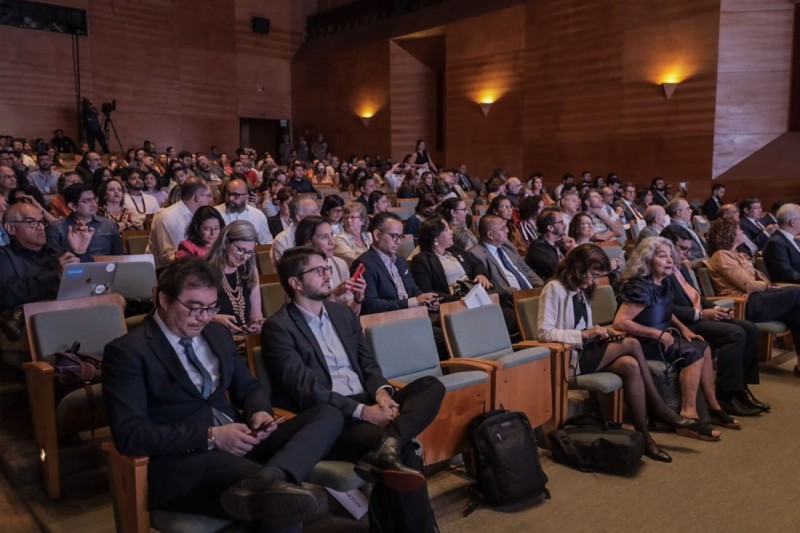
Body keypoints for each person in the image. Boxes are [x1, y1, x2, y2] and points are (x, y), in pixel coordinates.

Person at [103, 258, 343, 529]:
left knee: (328, 414)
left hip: (241, 439)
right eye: (194, 308)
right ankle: (268, 484)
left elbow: (249, 388)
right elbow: (130, 434)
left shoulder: (216, 333)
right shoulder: (128, 352)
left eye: (210, 308)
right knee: (278, 502)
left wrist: (259, 413)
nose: (203, 317)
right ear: (164, 299)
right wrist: (212, 437)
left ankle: (271, 476)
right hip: (189, 462)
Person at [262, 246, 445, 532]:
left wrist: (382, 394)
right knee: (405, 453)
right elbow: (305, 390)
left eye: (327, 268)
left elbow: (367, 362)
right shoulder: (279, 327)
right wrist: (365, 413)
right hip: (332, 416)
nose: (327, 275)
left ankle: (388, 446)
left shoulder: (341, 313)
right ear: (295, 283)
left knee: (431, 386)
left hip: (368, 399)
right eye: (318, 270)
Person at [538, 244, 700, 462]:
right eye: (593, 275)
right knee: (631, 344)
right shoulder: (554, 288)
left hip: (585, 349)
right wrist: (586, 334)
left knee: (631, 366)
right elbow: (544, 332)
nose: (594, 281)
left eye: (598, 277)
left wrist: (600, 333)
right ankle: (661, 409)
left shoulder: (581, 289)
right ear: (578, 266)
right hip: (567, 358)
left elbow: (580, 325)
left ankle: (645, 438)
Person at [613, 237, 728, 441]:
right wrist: (656, 334)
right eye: (661, 256)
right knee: (693, 353)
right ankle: (688, 413)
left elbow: (666, 310)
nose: (668, 261)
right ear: (647, 260)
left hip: (662, 337)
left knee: (703, 346)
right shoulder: (639, 286)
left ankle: (713, 405)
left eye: (669, 256)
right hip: (642, 343)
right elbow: (620, 323)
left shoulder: (664, 283)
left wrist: (684, 329)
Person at [660, 225, 766, 416]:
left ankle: (740, 388)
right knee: (735, 333)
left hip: (699, 316)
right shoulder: (661, 270)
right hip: (682, 324)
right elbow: (666, 308)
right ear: (667, 246)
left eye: (688, 249)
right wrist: (700, 314)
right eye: (682, 248)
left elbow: (696, 296)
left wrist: (715, 308)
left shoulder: (681, 268)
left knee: (750, 329)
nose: (686, 253)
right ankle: (725, 395)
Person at [706, 217, 800, 377]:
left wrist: (763, 284)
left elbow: (761, 279)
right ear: (729, 234)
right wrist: (765, 286)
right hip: (744, 303)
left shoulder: (738, 255)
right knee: (796, 292)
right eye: (739, 230)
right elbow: (748, 285)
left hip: (757, 298)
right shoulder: (722, 256)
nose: (742, 232)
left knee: (797, 312)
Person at [1, 202, 92, 312]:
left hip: (70, 310)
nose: (41, 227)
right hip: (34, 319)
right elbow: (6, 295)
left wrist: (80, 252)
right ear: (11, 228)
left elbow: (88, 285)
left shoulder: (55, 251)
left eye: (42, 222)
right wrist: (56, 275)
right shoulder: (5, 256)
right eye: (31, 222)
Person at [351, 212, 440, 315]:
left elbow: (413, 289)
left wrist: (426, 300)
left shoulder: (401, 261)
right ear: (377, 235)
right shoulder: (364, 263)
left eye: (401, 237)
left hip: (412, 316)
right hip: (387, 322)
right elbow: (369, 305)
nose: (398, 242)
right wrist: (411, 302)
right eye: (394, 236)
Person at [410, 215, 491, 302]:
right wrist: (459, 299)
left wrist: (480, 274)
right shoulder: (421, 261)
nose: (451, 232)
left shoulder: (456, 249)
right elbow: (427, 292)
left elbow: (476, 263)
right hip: (453, 302)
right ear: (435, 237)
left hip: (474, 293)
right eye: (446, 230)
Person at [295, 216, 366, 314]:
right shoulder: (298, 269)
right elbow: (306, 314)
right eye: (324, 237)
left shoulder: (340, 264)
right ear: (308, 241)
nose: (332, 242)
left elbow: (349, 315)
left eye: (332, 235)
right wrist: (333, 294)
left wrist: (358, 299)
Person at [468, 214, 544, 303]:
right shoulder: (476, 253)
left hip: (532, 292)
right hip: (512, 299)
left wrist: (541, 286)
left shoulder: (507, 245)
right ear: (490, 234)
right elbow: (496, 284)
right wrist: (520, 295)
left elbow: (525, 269)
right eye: (503, 228)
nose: (507, 231)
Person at [206, 221, 265, 335]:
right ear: (225, 243)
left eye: (249, 252)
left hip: (245, 338)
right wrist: (214, 319)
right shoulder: (205, 272)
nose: (244, 257)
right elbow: (192, 314)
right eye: (240, 250)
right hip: (216, 336)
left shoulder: (250, 270)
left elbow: (256, 315)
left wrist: (256, 325)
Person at [147, 177, 214, 270]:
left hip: (192, 269)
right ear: (198, 197)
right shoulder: (168, 216)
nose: (211, 199)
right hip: (165, 273)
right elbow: (166, 258)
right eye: (209, 195)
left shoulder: (201, 216)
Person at [45, 183, 122, 261]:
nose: (93, 204)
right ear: (73, 206)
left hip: (104, 270)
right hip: (71, 270)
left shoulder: (109, 225)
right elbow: (51, 261)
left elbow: (119, 256)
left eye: (94, 199)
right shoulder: (56, 228)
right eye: (86, 201)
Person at [215, 178, 273, 245]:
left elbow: (266, 243)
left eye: (236, 195)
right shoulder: (216, 213)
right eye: (228, 194)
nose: (230, 198)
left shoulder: (258, 215)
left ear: (246, 197)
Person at [526, 208, 576, 281]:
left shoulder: (558, 244)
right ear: (550, 227)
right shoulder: (538, 247)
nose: (565, 225)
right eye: (561, 222)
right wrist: (571, 252)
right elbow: (557, 271)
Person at [270, 196, 320, 265]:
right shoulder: (282, 240)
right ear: (299, 218)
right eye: (314, 212)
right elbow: (286, 271)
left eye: (318, 211)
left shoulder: (322, 233)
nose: (319, 215)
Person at [762, 203, 800, 283]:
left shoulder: (793, 239)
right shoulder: (775, 243)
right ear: (793, 222)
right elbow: (786, 273)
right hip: (791, 288)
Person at [334, 202, 373, 266]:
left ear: (362, 220)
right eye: (346, 217)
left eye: (352, 217)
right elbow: (356, 259)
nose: (348, 220)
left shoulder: (369, 236)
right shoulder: (339, 239)